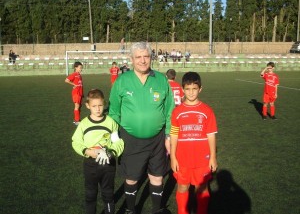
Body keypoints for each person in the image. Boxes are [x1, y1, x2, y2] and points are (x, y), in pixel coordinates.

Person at [109, 42, 175, 214]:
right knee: (131, 178)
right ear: (131, 59)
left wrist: (168, 135)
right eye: (138, 57)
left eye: (146, 56)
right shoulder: (122, 81)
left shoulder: (161, 80)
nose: (143, 60)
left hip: (158, 139)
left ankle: (157, 209)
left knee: (157, 175)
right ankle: (131, 210)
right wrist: (113, 135)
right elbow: (114, 111)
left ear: (151, 57)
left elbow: (170, 110)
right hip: (130, 139)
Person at [170, 72, 218, 214]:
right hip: (182, 158)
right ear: (183, 89)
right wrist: (173, 157)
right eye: (188, 89)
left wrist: (213, 157)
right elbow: (174, 134)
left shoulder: (207, 111)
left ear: (200, 89)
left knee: (201, 188)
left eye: (194, 88)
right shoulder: (177, 112)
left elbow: (211, 135)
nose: (191, 92)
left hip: (202, 159)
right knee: (183, 187)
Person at [72, 89, 124, 214]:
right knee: (90, 195)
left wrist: (111, 152)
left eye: (100, 105)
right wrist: (87, 151)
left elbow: (118, 142)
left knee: (108, 195)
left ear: (104, 104)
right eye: (94, 106)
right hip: (90, 164)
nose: (97, 109)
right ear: (88, 106)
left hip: (108, 165)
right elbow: (76, 142)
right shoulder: (83, 124)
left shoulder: (111, 122)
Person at [65, 61, 84, 125]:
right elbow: (66, 80)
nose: (81, 69)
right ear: (76, 67)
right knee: (77, 106)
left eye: (81, 67)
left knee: (79, 106)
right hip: (76, 93)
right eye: (80, 67)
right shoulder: (74, 74)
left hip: (80, 92)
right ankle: (76, 120)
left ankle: (77, 119)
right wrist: (73, 84)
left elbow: (80, 84)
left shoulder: (79, 75)